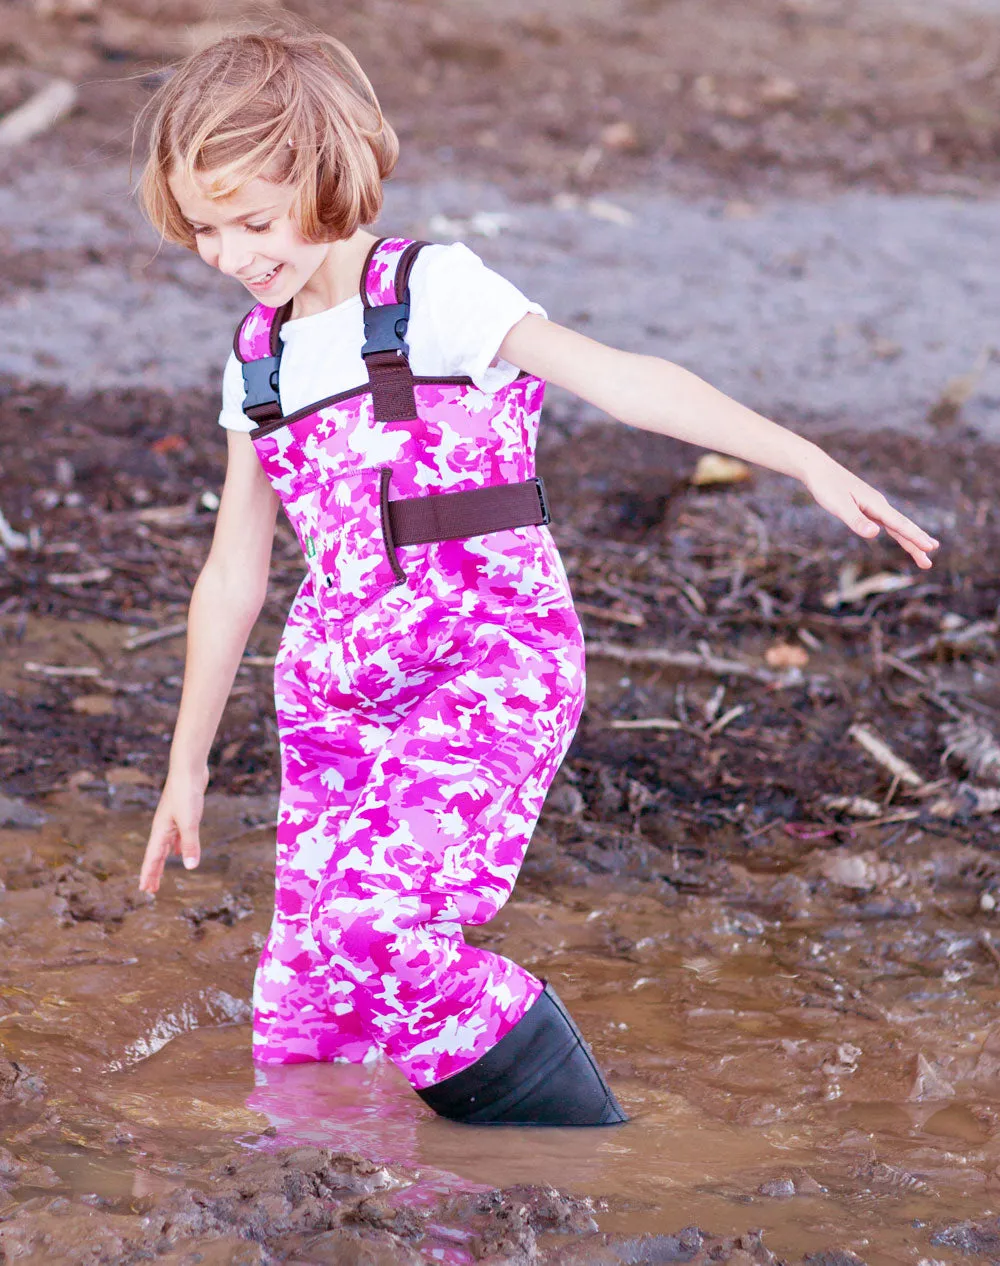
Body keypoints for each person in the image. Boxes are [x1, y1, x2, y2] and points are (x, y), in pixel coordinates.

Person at [135, 29, 938, 1128]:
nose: (231, 252)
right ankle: (350, 1202)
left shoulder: (435, 294)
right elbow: (234, 571)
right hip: (329, 702)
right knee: (303, 1008)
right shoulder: (254, 357)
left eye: (253, 221)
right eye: (206, 230)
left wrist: (799, 457)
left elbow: (625, 380)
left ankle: (576, 1152)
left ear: (326, 173)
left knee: (381, 929)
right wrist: (184, 769)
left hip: (484, 668)